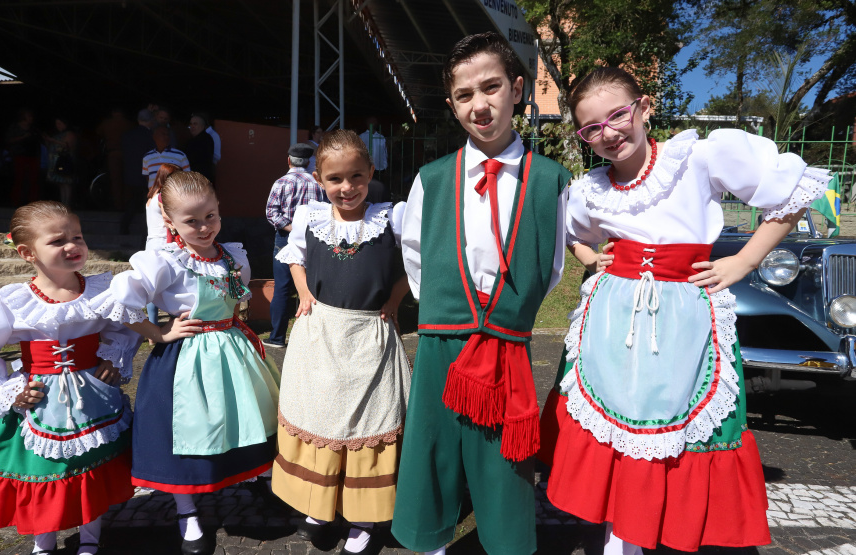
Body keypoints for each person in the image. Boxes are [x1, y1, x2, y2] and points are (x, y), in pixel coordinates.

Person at [539, 67, 831, 554]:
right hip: (613, 321)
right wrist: (594, 259)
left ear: (644, 107)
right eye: (591, 128)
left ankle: (659, 525)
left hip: (684, 317)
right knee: (618, 424)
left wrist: (744, 259)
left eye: (617, 115)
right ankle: (621, 535)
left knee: (673, 427)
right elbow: (575, 234)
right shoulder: (591, 188)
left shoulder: (694, 158)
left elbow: (793, 192)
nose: (608, 133)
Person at [394, 32, 571, 555]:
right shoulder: (430, 180)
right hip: (442, 343)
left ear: (518, 90)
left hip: (505, 347)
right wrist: (455, 308)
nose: (480, 104)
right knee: (432, 457)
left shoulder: (552, 181)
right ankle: (431, 541)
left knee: (503, 469)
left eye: (491, 87)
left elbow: (552, 265)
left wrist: (502, 314)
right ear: (452, 106)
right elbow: (417, 256)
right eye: (466, 95)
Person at [92, 171, 280, 555]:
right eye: (191, 221)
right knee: (188, 433)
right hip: (187, 359)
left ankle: (255, 477)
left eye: (210, 216)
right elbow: (119, 301)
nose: (204, 227)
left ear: (218, 210)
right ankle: (186, 510)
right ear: (170, 222)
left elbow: (238, 294)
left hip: (235, 351)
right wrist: (157, 333)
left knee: (249, 418)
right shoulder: (164, 261)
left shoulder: (232, 255)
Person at [0, 201, 139, 555]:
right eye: (57, 240)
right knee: (45, 467)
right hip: (40, 397)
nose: (72, 245)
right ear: (27, 252)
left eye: (77, 236)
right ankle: (43, 541)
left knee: (89, 465)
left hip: (92, 393)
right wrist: (8, 389)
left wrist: (113, 354)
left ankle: (91, 537)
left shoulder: (103, 290)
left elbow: (124, 326)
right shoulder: (10, 302)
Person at [271, 130, 412, 555]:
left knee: (369, 422)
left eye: (356, 176)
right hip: (321, 333)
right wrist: (305, 294)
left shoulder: (392, 217)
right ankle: (320, 502)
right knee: (320, 418)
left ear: (371, 172)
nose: (346, 187)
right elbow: (294, 257)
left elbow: (411, 266)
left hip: (370, 333)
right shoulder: (309, 218)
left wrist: (393, 300)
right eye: (335, 179)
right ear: (318, 178)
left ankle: (365, 516)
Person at [263, 142, 327, 348]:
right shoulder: (319, 182)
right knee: (312, 286)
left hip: (285, 237)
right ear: (309, 161)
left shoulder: (281, 182)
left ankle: (277, 337)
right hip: (314, 238)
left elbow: (271, 212)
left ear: (289, 160)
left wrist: (291, 228)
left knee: (282, 288)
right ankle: (309, 339)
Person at [142, 162, 184, 331]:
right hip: (163, 244)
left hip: (151, 243)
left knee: (153, 287)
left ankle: (153, 327)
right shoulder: (162, 197)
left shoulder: (151, 197)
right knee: (170, 284)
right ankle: (173, 322)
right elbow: (169, 220)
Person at [120, 109, 156, 233]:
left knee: (134, 199)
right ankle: (144, 229)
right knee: (145, 201)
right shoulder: (150, 135)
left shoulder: (127, 135)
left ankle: (125, 225)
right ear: (151, 121)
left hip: (130, 171)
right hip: (146, 173)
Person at [7, 109, 42, 205]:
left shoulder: (34, 128)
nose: (31, 118)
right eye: (29, 116)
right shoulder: (15, 127)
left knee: (33, 179)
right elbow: (9, 140)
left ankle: (33, 201)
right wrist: (23, 137)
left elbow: (40, 140)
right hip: (19, 155)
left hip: (33, 156)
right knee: (19, 178)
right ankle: (16, 201)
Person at [44, 116, 79, 208]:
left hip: (65, 161)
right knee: (61, 183)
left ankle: (67, 204)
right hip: (56, 162)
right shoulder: (57, 134)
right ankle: (64, 203)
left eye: (60, 123)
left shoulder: (69, 134)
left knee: (66, 183)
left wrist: (53, 141)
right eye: (56, 124)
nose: (58, 126)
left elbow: (67, 145)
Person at [185, 113, 215, 182]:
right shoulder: (205, 139)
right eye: (191, 124)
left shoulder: (204, 140)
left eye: (195, 124)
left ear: (202, 126)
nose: (192, 126)